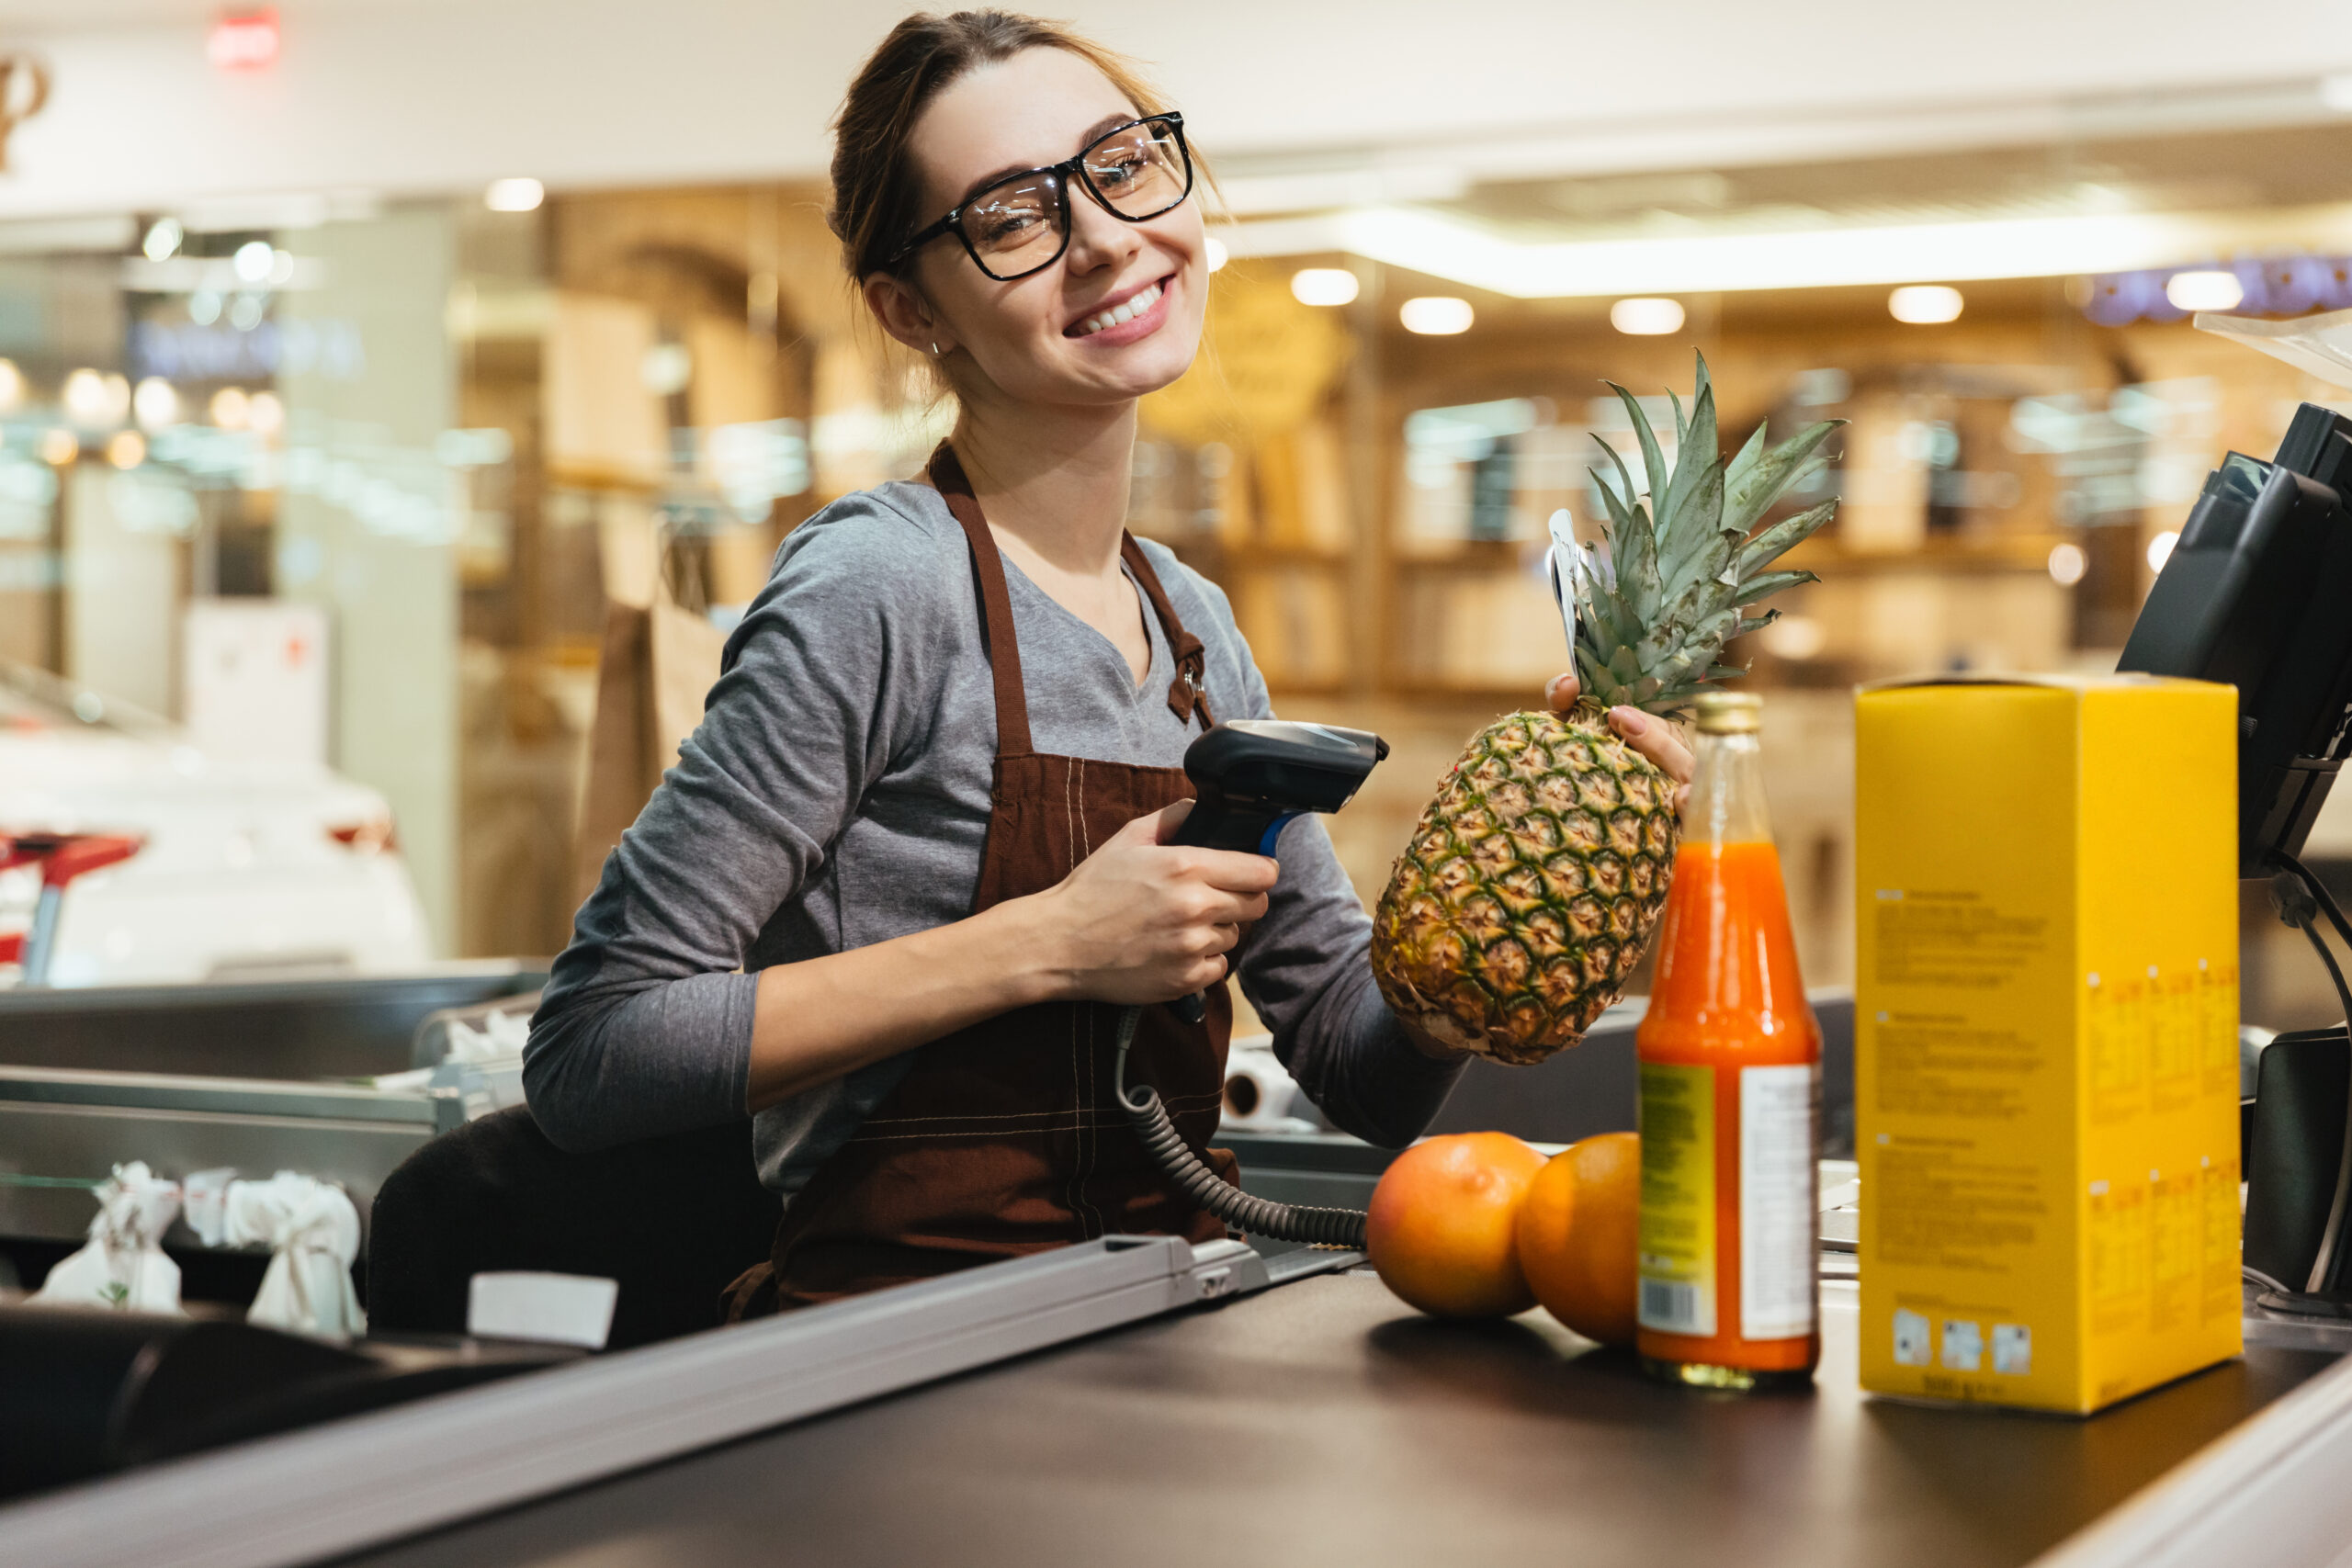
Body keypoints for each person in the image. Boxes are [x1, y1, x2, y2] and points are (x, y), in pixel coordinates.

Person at [523, 8, 1694, 1317]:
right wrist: (1048, 944)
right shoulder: (883, 587)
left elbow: (1363, 1078)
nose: (1105, 238)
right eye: (1013, 216)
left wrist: (1508, 908)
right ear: (912, 308)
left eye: (1122, 163)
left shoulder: (1192, 626)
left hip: (1163, 1326)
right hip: (898, 1357)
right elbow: (594, 1052)